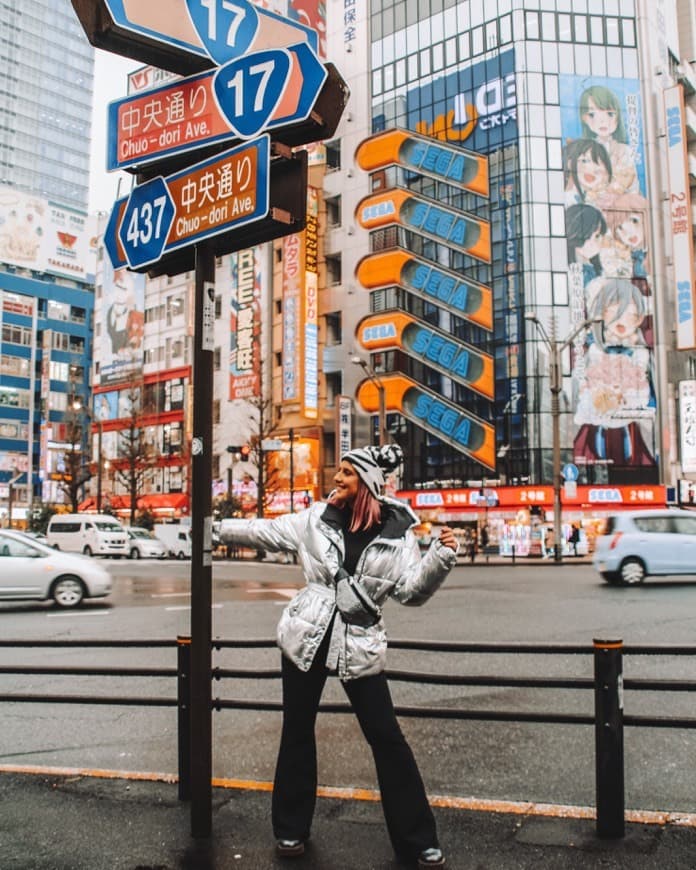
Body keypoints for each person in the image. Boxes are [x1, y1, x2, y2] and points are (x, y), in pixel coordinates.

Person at [219, 444, 458, 867]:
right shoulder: (314, 518)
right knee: (296, 729)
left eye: (346, 472)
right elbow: (266, 532)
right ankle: (290, 830)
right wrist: (217, 529)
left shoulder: (398, 536)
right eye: (338, 470)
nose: (336, 478)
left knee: (386, 738)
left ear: (366, 482)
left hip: (360, 642)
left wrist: (439, 559)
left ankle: (418, 838)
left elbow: (409, 592)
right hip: (305, 634)